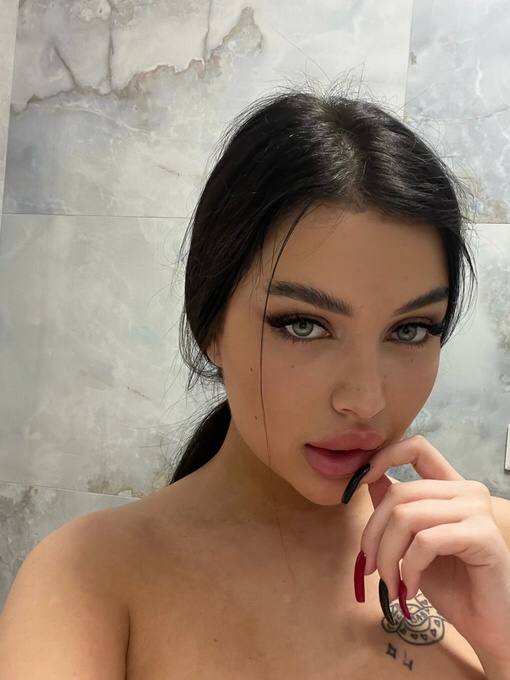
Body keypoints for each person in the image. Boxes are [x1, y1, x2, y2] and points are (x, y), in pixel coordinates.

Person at [2, 85, 510, 679]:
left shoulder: (491, 551)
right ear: (211, 325)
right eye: (304, 325)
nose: (366, 401)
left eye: (411, 330)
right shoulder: (89, 579)